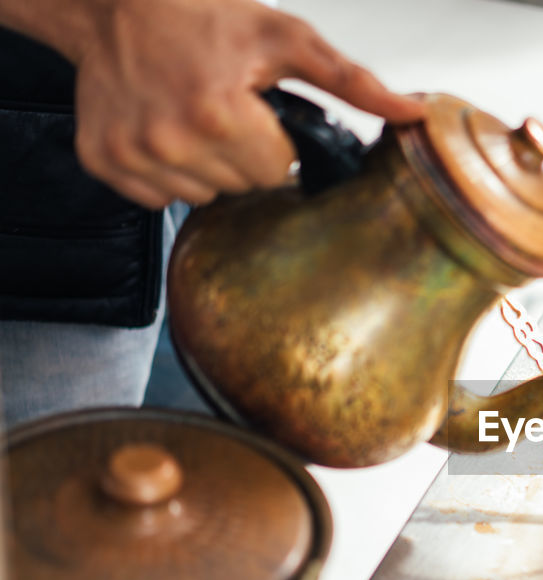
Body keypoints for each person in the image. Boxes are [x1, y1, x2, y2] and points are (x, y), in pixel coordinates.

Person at [0, 0, 422, 425]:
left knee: (221, 430)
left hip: (200, 123)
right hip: (42, 195)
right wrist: (101, 20)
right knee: (58, 470)